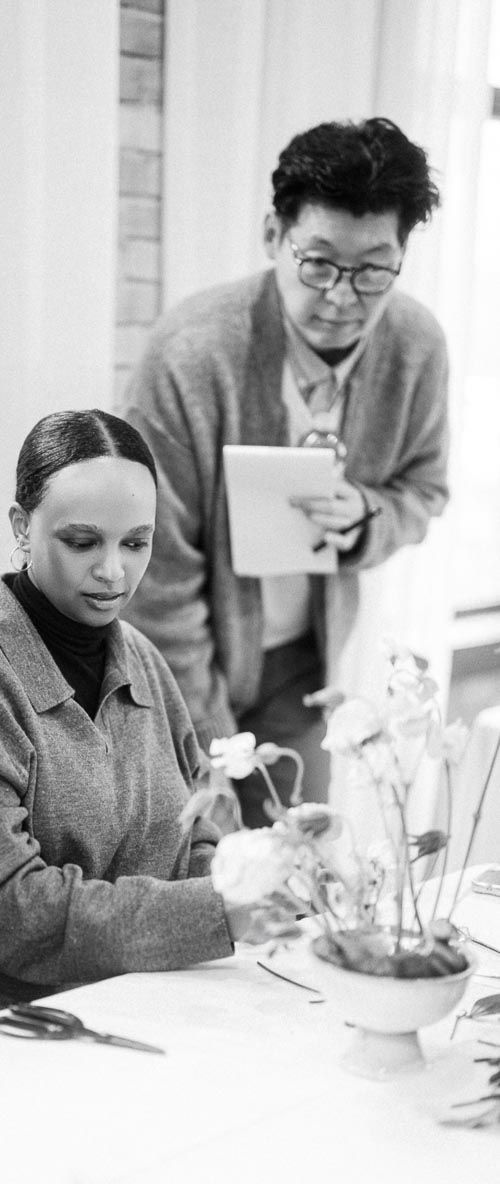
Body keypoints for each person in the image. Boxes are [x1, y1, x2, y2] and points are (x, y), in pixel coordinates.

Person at [0, 409, 289, 1051]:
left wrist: (265, 883)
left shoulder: (142, 658)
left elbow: (193, 841)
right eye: (83, 542)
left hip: (117, 1005)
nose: (114, 571)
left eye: (136, 543)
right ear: (22, 528)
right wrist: (220, 912)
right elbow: (6, 914)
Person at [121, 117, 448, 827]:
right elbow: (158, 574)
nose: (341, 297)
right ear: (274, 236)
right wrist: (210, 756)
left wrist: (369, 516)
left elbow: (425, 490)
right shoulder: (192, 352)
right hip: (172, 658)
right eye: (319, 263)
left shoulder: (415, 347)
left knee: (295, 877)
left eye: (373, 271)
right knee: (205, 870)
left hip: (301, 662)